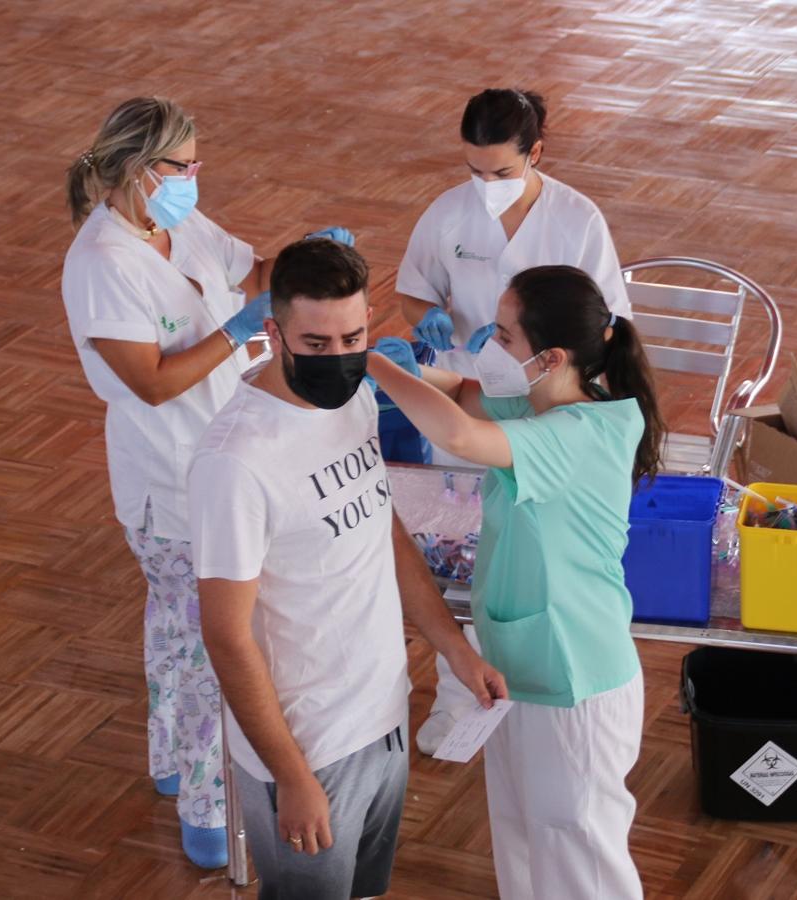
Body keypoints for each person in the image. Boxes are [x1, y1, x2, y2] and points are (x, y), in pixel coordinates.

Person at [61, 96, 353, 869]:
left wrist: (299, 259)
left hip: (222, 461)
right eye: (181, 166)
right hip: (171, 486)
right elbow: (153, 383)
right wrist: (236, 329)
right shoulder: (101, 265)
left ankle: (169, 764)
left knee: (175, 630)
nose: (195, 178)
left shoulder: (176, 224)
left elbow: (250, 273)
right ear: (133, 169)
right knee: (207, 651)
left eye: (197, 164)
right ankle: (208, 809)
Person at [189, 238, 506, 900]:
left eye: (353, 339)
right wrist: (291, 775)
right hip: (308, 745)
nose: (339, 360)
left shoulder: (356, 398)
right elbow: (226, 634)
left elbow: (379, 528)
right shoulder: (236, 461)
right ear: (273, 333)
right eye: (317, 344)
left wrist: (452, 647)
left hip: (382, 712)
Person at [368, 265, 665, 900]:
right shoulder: (540, 401)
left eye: (503, 336)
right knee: (526, 842)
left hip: (573, 677)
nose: (490, 346)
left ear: (551, 356)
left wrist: (369, 363)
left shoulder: (579, 432)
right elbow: (461, 394)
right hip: (519, 666)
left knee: (579, 859)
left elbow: (456, 432)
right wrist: (416, 368)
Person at [395, 87, 634, 753]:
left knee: (521, 559)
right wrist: (428, 326)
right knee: (464, 560)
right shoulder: (448, 214)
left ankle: (511, 684)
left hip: (541, 404)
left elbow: (606, 321)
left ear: (536, 152)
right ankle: (461, 694)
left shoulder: (577, 220)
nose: (486, 185)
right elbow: (414, 289)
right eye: (474, 170)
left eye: (501, 172)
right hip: (468, 392)